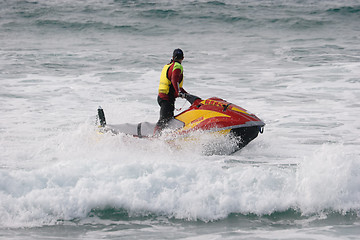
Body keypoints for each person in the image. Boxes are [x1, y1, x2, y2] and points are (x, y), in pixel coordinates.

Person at [155, 48, 187, 135]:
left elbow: (175, 84)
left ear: (173, 57)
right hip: (166, 98)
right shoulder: (177, 66)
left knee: (168, 119)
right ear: (183, 58)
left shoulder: (168, 65)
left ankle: (164, 135)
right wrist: (178, 92)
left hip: (162, 96)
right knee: (164, 120)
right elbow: (174, 80)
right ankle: (155, 137)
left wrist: (186, 94)